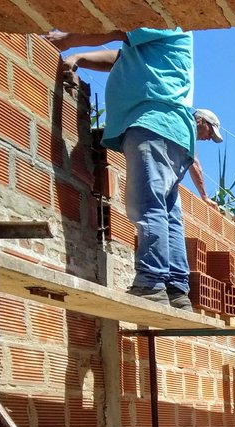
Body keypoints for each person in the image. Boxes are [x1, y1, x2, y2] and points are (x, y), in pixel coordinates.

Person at [48, 30, 222, 308]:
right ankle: (176, 290)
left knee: (148, 205)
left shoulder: (165, 16)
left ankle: (151, 283)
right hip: (169, 132)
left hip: (153, 124)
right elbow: (120, 58)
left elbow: (116, 29)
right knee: (166, 211)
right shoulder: (151, 43)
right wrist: (79, 56)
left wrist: (67, 39)